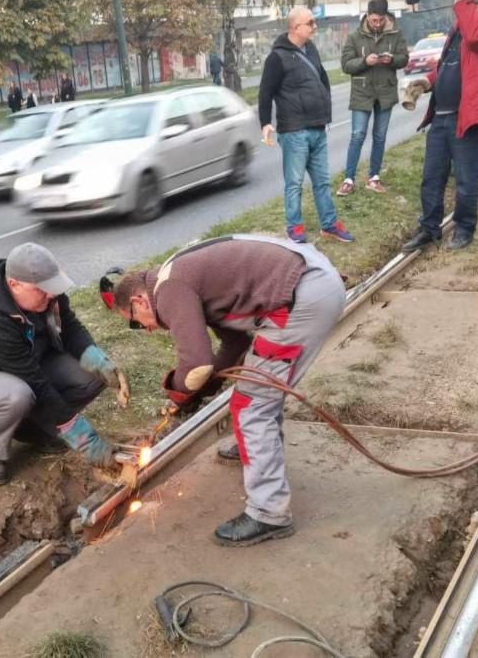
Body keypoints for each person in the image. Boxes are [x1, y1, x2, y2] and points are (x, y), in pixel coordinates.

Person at [106, 234, 346, 547]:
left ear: (138, 302)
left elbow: (195, 365)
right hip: (310, 280)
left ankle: (268, 512)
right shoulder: (182, 274)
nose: (148, 330)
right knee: (256, 391)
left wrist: (179, 393)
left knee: (251, 404)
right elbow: (235, 342)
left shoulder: (169, 289)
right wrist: (209, 385)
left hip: (303, 297)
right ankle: (257, 448)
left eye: (136, 322)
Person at [0, 243, 127, 486]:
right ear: (14, 284)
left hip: (29, 362)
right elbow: (35, 384)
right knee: (17, 395)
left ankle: (35, 431)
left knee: (90, 376)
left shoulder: (49, 292)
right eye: (42, 290)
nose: (50, 295)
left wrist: (98, 361)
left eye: (52, 288)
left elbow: (70, 328)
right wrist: (87, 441)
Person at [402, 0, 478, 252]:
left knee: (466, 180)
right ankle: (429, 229)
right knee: (431, 178)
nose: (457, 5)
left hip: (470, 117)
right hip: (441, 118)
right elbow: (451, 63)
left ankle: (464, 229)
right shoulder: (461, 25)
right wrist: (427, 82)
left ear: (477, 1)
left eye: (462, 0)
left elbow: (476, 38)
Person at [258, 7, 355, 244]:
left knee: (322, 182)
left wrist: (325, 106)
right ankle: (295, 228)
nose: (315, 26)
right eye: (310, 22)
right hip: (294, 131)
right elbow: (265, 93)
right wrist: (265, 123)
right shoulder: (276, 58)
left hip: (317, 128)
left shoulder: (311, 49)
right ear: (295, 27)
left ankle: (329, 224)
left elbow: (321, 78)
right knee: (295, 184)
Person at [337, 0, 408, 196]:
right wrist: (365, 61)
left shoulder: (395, 34)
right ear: (367, 16)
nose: (377, 24)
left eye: (380, 21)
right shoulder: (354, 37)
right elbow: (346, 65)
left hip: (385, 92)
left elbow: (404, 59)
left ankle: (373, 178)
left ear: (386, 17)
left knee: (380, 136)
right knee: (357, 135)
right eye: (373, 20)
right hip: (362, 93)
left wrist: (392, 59)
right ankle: (348, 179)